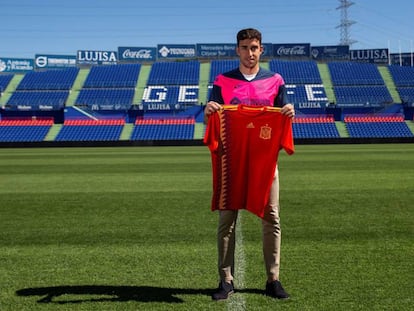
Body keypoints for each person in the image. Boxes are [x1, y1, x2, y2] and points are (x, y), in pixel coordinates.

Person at [203, 28, 295, 301]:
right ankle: (225, 280)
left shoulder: (275, 81)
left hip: (265, 163)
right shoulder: (223, 80)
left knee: (272, 218)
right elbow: (213, 116)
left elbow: (283, 112)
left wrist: (289, 112)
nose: (250, 52)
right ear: (237, 50)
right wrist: (208, 111)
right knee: (226, 221)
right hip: (230, 162)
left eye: (254, 47)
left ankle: (273, 279)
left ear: (261, 50)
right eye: (245, 47)